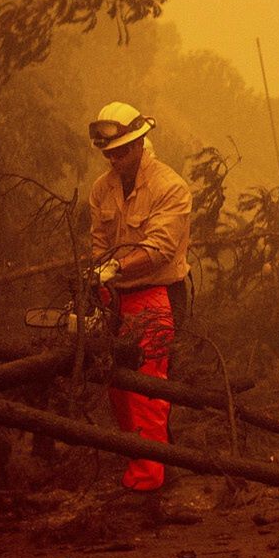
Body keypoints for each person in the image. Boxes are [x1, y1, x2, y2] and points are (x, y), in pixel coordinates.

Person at [86, 102, 192, 495]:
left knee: (149, 387)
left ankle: (150, 481)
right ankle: (145, 467)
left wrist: (116, 268)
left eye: (121, 151)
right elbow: (99, 243)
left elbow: (160, 248)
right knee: (118, 388)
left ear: (140, 142)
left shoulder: (170, 187)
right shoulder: (102, 189)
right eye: (108, 153)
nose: (115, 159)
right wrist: (99, 277)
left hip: (157, 292)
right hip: (115, 296)